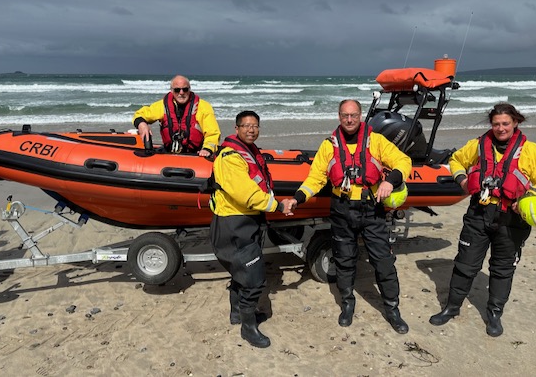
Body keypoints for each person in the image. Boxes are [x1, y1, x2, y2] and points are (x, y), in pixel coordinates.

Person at [429, 103, 536, 337]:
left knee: (502, 269)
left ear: (515, 123)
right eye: (496, 124)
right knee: (465, 265)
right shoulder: (478, 145)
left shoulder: (532, 151)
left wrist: (528, 200)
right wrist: (462, 182)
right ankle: (451, 307)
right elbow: (457, 161)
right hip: (478, 214)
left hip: (513, 220)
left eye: (505, 123)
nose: (500, 128)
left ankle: (494, 314)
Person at [289, 99, 413, 333]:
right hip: (342, 209)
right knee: (344, 261)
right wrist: (297, 197)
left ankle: (392, 308)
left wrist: (389, 181)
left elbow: (403, 161)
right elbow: (315, 179)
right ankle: (347, 304)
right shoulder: (329, 146)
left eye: (353, 115)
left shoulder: (376, 141)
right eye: (345, 115)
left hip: (371, 209)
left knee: (383, 261)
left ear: (360, 116)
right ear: (339, 116)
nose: (349, 120)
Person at [209, 110, 295, 348]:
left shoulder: (248, 152)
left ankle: (237, 313)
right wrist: (277, 206)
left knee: (241, 271)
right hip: (234, 223)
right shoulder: (230, 157)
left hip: (247, 221)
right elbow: (246, 193)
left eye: (255, 126)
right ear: (236, 129)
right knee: (254, 279)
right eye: (246, 125)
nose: (251, 129)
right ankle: (248, 328)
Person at [132, 75, 220, 157]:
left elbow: (213, 133)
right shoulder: (162, 106)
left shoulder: (203, 107)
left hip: (195, 154)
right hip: (169, 152)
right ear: (172, 90)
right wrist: (142, 124)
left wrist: (207, 149)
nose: (181, 93)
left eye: (185, 89)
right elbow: (140, 114)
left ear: (189, 89)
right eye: (177, 90)